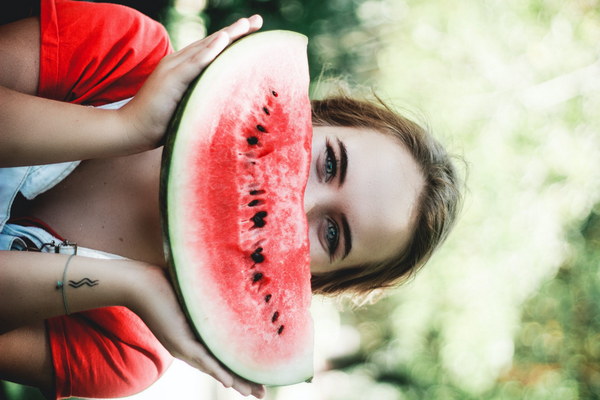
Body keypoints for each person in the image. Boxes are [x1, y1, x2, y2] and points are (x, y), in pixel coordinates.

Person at [0, 0, 462, 399]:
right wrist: (123, 129)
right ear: (308, 115)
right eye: (327, 164)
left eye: (332, 232)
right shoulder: (130, 53)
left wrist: (132, 284)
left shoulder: (127, 353)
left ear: (314, 282)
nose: (293, 202)